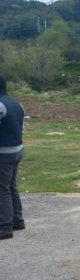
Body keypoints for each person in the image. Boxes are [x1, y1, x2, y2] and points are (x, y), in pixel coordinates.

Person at [0, 74, 25, 240]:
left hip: (3, 152)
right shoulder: (17, 104)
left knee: (2, 189)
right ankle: (18, 220)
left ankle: (5, 227)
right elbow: (21, 128)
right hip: (18, 150)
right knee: (11, 186)